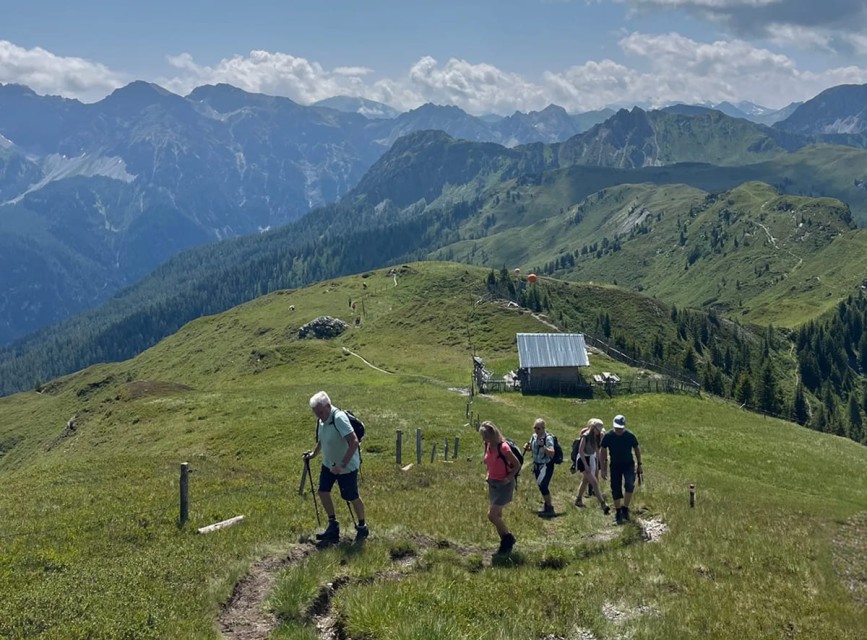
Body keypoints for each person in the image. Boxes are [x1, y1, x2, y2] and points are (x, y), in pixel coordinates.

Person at [303, 391, 369, 542]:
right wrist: (313, 455)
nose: (318, 416)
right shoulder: (321, 420)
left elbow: (354, 442)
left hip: (346, 467)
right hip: (329, 464)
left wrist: (342, 465)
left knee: (351, 496)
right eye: (315, 413)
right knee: (323, 491)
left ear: (327, 406)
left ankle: (362, 527)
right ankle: (333, 526)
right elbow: (322, 440)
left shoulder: (339, 418)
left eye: (319, 412)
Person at [479, 420, 519, 554]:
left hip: (504, 485)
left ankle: (508, 538)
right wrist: (488, 474)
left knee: (492, 515)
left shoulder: (504, 448)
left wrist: (508, 478)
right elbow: (489, 462)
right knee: (498, 516)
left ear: (492, 435)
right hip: (493, 483)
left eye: (485, 436)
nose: (483, 439)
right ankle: (505, 545)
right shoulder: (487, 445)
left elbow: (517, 465)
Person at [600, 414, 642, 524]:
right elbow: (603, 450)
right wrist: (603, 467)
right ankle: (618, 511)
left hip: (628, 464)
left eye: (621, 428)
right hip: (615, 465)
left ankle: (625, 508)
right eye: (617, 427)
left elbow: (636, 449)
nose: (619, 430)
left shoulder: (629, 436)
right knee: (615, 487)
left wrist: (639, 464)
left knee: (629, 484)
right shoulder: (608, 436)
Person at [573, 418, 610, 514]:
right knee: (594, 482)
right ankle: (603, 504)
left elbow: (597, 452)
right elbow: (581, 451)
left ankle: (578, 499)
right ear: (594, 429)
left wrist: (599, 466)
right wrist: (586, 465)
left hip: (591, 459)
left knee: (585, 480)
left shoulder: (597, 438)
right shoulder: (585, 436)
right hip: (582, 459)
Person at [525, 418, 556, 516]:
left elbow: (552, 453)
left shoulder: (548, 438)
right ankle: (547, 506)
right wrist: (527, 447)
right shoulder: (534, 437)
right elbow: (531, 448)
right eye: (535, 428)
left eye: (538, 428)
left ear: (543, 428)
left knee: (543, 486)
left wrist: (543, 446)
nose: (536, 430)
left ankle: (550, 508)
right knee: (541, 486)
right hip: (537, 465)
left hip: (546, 466)